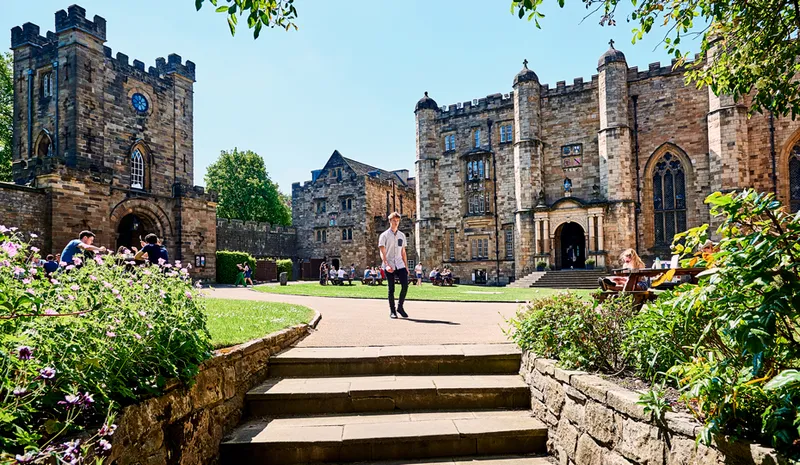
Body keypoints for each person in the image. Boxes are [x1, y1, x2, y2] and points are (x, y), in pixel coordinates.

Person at [378, 212, 409, 319]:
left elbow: (403, 252)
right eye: (394, 221)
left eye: (397, 221)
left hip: (400, 264)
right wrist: (386, 265)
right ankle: (392, 311)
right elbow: (382, 252)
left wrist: (406, 266)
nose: (396, 223)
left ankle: (400, 307)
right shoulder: (384, 236)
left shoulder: (402, 236)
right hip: (389, 264)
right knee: (391, 289)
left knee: (405, 286)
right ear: (390, 221)